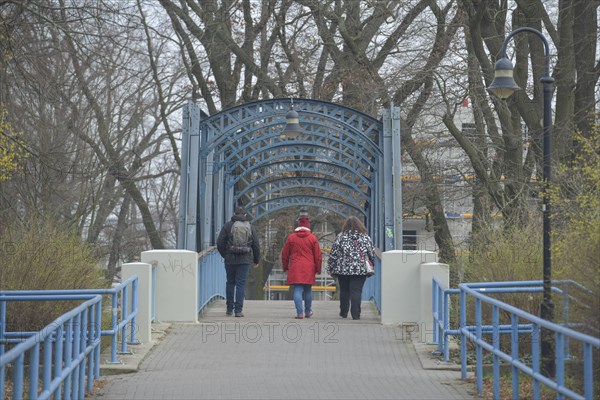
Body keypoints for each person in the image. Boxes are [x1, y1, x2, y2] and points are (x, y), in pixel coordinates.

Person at [327, 216, 375, 320]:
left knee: (344, 290)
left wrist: (330, 267)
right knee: (356, 291)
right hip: (360, 269)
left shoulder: (341, 237)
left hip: (343, 269)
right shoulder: (365, 237)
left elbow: (333, 254)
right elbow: (371, 253)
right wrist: (372, 264)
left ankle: (343, 312)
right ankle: (356, 314)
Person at [217, 206, 260, 317]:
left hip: (230, 259)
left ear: (234, 213)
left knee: (230, 282)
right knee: (241, 284)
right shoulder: (250, 227)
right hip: (244, 260)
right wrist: (256, 260)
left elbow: (219, 242)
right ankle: (238, 311)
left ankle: (229, 309)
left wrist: (225, 255)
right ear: (245, 215)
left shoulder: (227, 226)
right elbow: (256, 245)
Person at [281, 215, 322, 319]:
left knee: (297, 289)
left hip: (295, 267)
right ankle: (308, 311)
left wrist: (285, 267)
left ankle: (299, 313)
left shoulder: (291, 238)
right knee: (308, 290)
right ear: (308, 225)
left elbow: (285, 254)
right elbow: (318, 256)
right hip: (309, 267)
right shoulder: (312, 238)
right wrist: (318, 268)